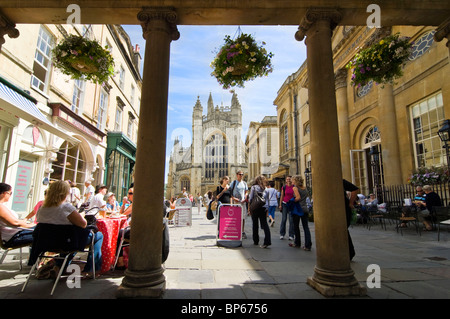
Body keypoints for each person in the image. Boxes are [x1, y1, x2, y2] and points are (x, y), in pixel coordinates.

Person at [36, 180, 103, 279]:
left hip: (46, 242)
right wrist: (82, 215)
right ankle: (92, 269)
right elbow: (83, 224)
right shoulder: (66, 207)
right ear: (65, 193)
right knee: (98, 235)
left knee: (72, 237)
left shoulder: (42, 208)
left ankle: (59, 266)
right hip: (66, 242)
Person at [0, 183, 34, 249]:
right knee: (47, 234)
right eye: (10, 193)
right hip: (14, 237)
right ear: (5, 193)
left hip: (17, 234)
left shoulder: (2, 206)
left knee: (46, 231)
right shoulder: (0, 207)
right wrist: (31, 225)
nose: (10, 195)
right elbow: (15, 223)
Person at [289, 175, 312, 251]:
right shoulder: (305, 188)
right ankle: (308, 245)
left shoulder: (295, 188)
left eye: (293, 181)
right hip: (305, 208)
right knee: (306, 227)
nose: (292, 182)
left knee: (296, 226)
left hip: (298, 209)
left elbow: (298, 198)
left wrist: (292, 200)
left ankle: (297, 242)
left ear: (295, 181)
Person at [248, 175, 271, 248]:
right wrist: (267, 209)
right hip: (263, 208)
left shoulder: (254, 187)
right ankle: (267, 241)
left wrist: (249, 207)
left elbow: (250, 198)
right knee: (264, 224)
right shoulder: (266, 188)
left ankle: (256, 241)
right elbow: (267, 200)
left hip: (255, 208)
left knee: (255, 224)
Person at [116, 187, 133, 269]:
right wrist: (123, 204)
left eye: (130, 193)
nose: (128, 195)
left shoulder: (134, 204)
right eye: (128, 193)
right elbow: (122, 213)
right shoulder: (131, 204)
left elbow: (122, 214)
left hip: (131, 229)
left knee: (116, 234)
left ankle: (120, 261)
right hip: (129, 228)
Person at [230, 170, 248, 239]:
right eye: (240, 174)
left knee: (243, 218)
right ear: (237, 175)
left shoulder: (244, 183)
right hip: (236, 202)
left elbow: (246, 192)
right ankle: (236, 230)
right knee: (235, 217)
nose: (241, 176)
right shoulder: (233, 183)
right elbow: (230, 192)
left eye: (242, 174)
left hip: (242, 202)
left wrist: (245, 197)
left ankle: (242, 231)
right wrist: (233, 198)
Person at [343, 179, 359, 261]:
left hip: (344, 209)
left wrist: (350, 203)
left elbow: (355, 189)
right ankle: (349, 253)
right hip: (338, 209)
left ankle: (350, 253)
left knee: (343, 230)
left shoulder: (339, 180)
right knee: (343, 231)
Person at [278, 176, 295, 241]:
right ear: (285, 180)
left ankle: (291, 235)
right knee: (284, 219)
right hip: (285, 204)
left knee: (291, 220)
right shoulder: (284, 187)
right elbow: (282, 195)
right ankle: (282, 234)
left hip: (291, 204)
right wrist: (280, 205)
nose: (288, 180)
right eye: (287, 179)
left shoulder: (294, 187)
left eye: (289, 179)